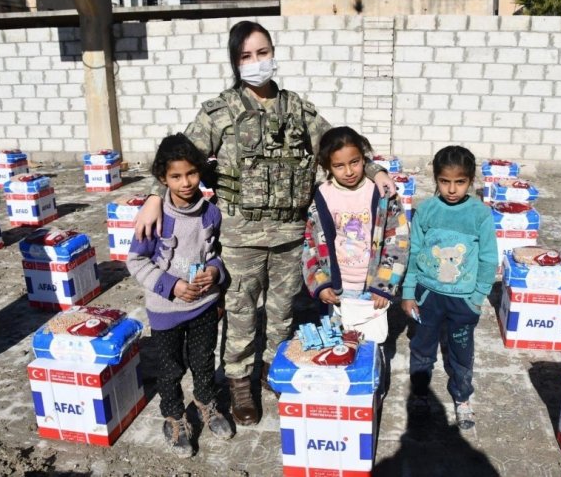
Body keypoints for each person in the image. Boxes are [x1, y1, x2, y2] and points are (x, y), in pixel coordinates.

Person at [133, 21, 395, 425]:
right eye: (246, 56)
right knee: (239, 311)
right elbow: (179, 159)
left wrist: (375, 170)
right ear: (236, 63)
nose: (257, 62)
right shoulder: (219, 112)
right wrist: (154, 196)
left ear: (273, 53)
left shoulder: (299, 110)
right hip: (240, 237)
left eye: (263, 52)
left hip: (291, 236)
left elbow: (337, 146)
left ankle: (276, 368)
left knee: (282, 311)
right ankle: (240, 382)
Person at [127, 133, 234, 458]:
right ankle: (174, 418)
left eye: (191, 173)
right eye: (176, 176)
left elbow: (215, 254)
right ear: (163, 178)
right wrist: (171, 285)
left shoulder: (211, 214)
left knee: (204, 362)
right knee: (170, 369)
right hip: (166, 311)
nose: (185, 182)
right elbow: (135, 260)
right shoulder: (156, 218)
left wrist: (215, 272)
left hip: (203, 305)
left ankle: (206, 404)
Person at [400, 145, 498, 430]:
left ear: (470, 181)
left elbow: (488, 258)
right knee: (422, 348)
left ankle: (462, 396)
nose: (452, 189)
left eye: (460, 182)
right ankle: (420, 394)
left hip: (463, 302)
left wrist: (477, 298)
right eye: (445, 181)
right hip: (427, 298)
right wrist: (408, 293)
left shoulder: (480, 214)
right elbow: (414, 251)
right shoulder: (427, 210)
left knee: (461, 352)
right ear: (435, 179)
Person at [301, 126, 409, 329]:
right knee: (339, 347)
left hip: (372, 290)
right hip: (337, 291)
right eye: (339, 166)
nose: (349, 171)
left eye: (355, 162)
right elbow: (311, 244)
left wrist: (383, 285)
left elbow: (398, 241)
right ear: (328, 166)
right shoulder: (322, 196)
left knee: (369, 347)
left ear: (364, 158)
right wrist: (320, 283)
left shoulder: (381, 193)